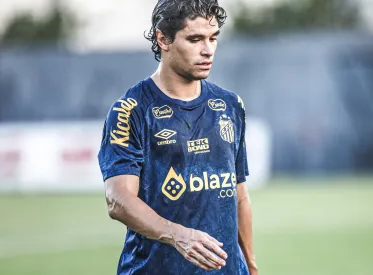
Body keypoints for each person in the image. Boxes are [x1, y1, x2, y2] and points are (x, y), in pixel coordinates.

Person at [98, 0, 257, 274]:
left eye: (213, 38)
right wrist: (178, 235)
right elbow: (118, 199)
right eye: (195, 39)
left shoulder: (230, 105)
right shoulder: (131, 110)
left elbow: (239, 196)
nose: (208, 50)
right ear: (163, 38)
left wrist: (251, 267)